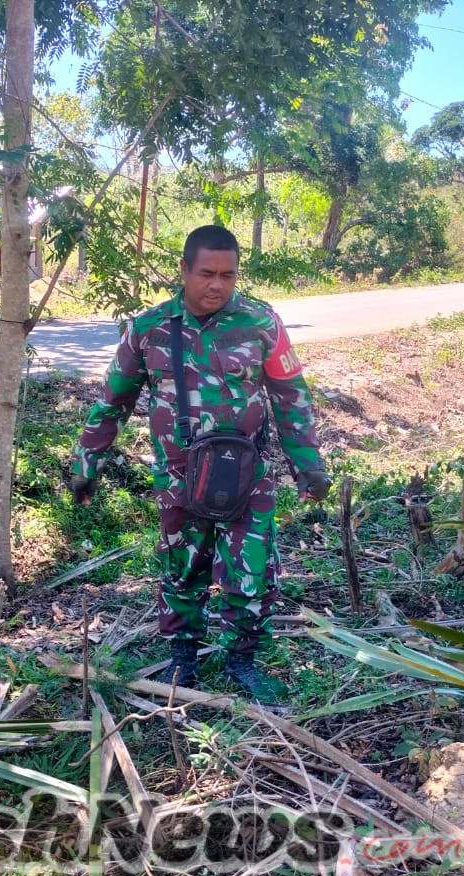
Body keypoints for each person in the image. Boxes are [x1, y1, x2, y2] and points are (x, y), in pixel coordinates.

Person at [68, 225, 328, 704]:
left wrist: (307, 465)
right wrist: (88, 463)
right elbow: (112, 402)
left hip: (248, 476)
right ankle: (183, 658)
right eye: (206, 273)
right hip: (179, 476)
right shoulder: (149, 329)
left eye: (228, 275)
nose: (217, 284)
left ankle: (242, 660)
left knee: (250, 570)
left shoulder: (260, 322)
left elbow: (291, 397)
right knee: (182, 568)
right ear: (184, 270)